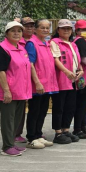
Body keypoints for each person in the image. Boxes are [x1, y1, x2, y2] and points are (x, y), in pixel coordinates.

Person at [0, 21, 33, 156]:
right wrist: (6, 90)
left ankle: (11, 143)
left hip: (21, 90)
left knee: (16, 118)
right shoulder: (1, 49)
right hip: (9, 91)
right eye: (13, 31)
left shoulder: (21, 48)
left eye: (19, 31)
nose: (16, 33)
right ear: (6, 33)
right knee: (8, 119)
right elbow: (0, 71)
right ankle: (7, 146)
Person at [24, 19, 57, 149]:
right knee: (34, 111)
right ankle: (31, 137)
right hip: (37, 84)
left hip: (47, 84)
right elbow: (30, 64)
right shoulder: (32, 44)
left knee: (43, 111)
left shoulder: (47, 44)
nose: (45, 30)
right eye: (42, 27)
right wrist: (37, 82)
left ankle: (38, 135)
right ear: (35, 29)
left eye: (47, 27)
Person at [50, 19, 83, 144]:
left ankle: (66, 130)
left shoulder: (73, 44)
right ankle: (58, 133)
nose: (66, 30)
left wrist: (80, 70)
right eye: (63, 28)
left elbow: (77, 61)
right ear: (58, 30)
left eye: (68, 28)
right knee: (59, 107)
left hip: (73, 80)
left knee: (70, 107)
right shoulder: (55, 42)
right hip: (61, 80)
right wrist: (66, 71)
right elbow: (56, 60)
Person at [14, 16, 36, 143]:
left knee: (34, 108)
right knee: (19, 109)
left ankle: (32, 132)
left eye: (32, 26)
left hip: (34, 79)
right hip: (20, 79)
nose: (30, 28)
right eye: (27, 26)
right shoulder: (18, 41)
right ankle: (15, 133)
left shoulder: (36, 40)